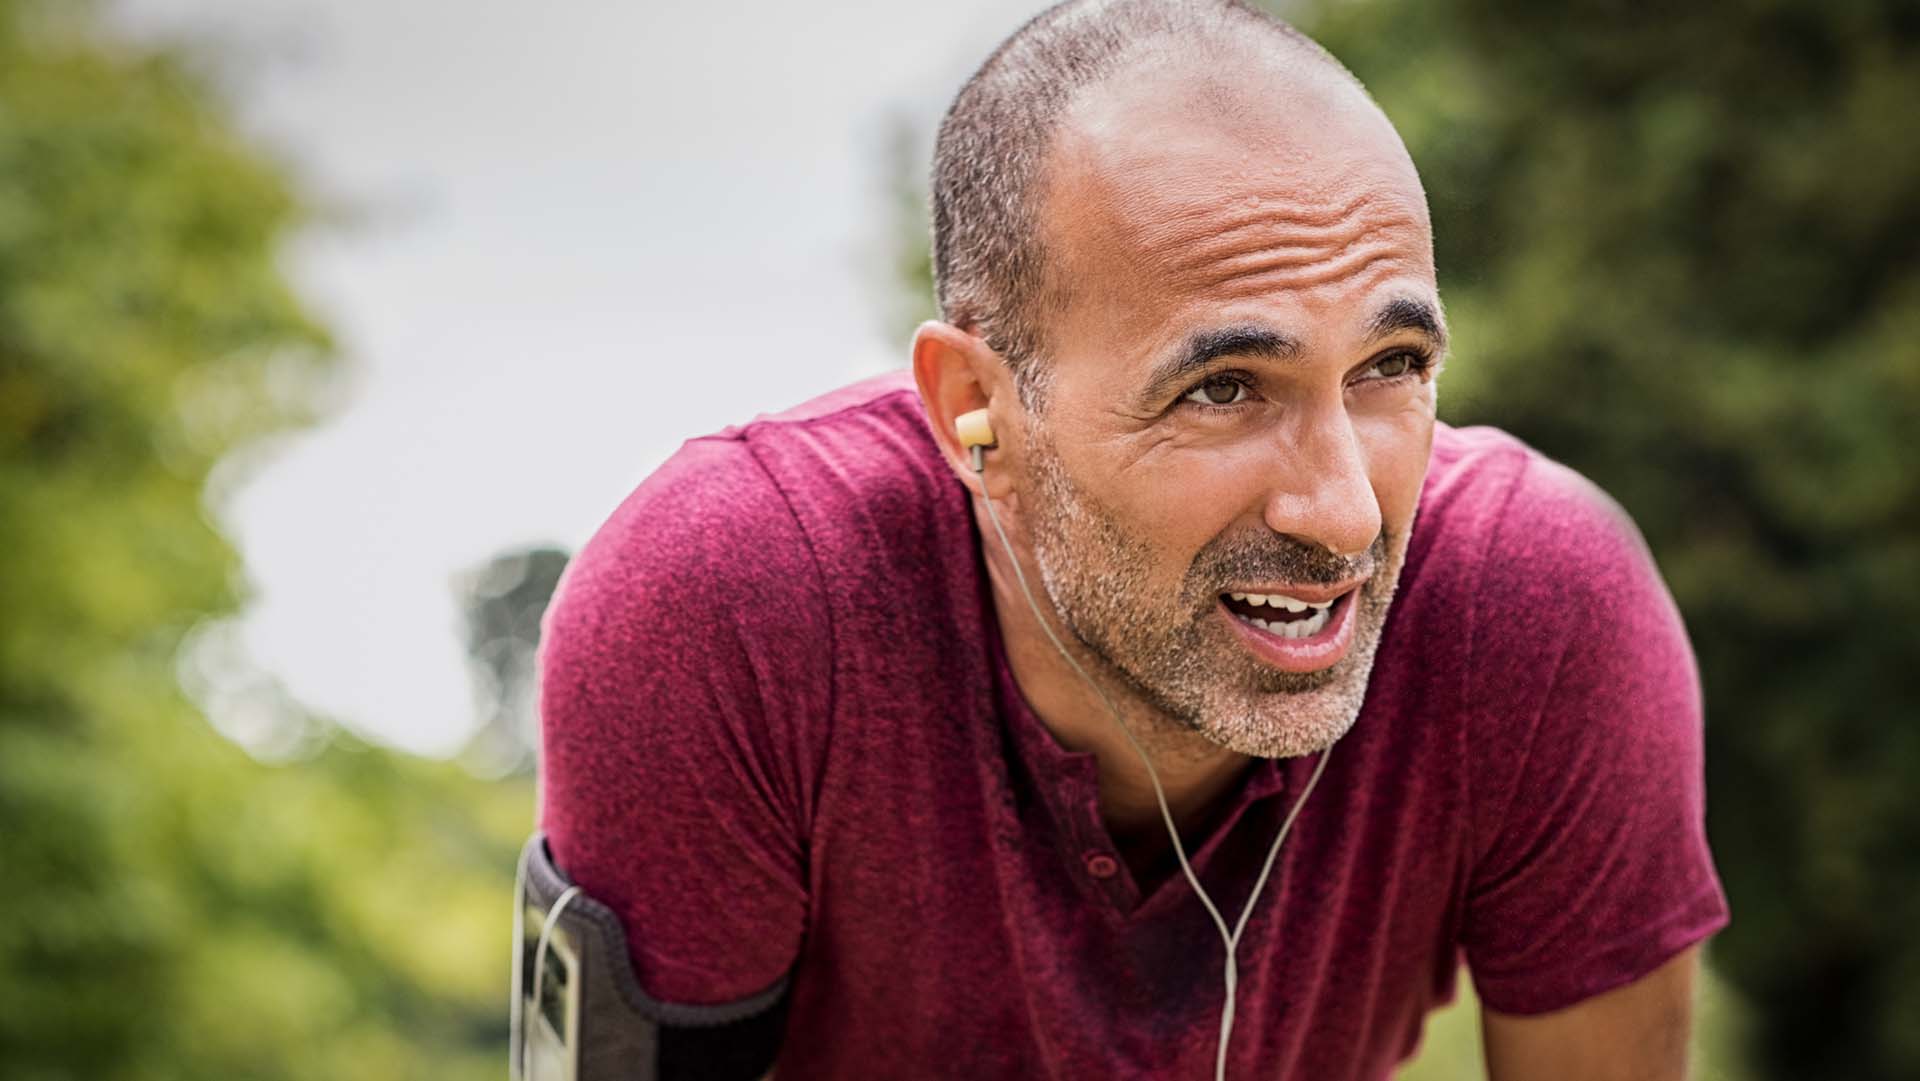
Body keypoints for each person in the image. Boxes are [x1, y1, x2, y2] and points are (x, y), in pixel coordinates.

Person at [533, 1, 1731, 1078]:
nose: (1347, 513)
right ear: (975, 411)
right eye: (1223, 389)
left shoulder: (1540, 606)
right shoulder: (727, 605)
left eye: (1389, 368)